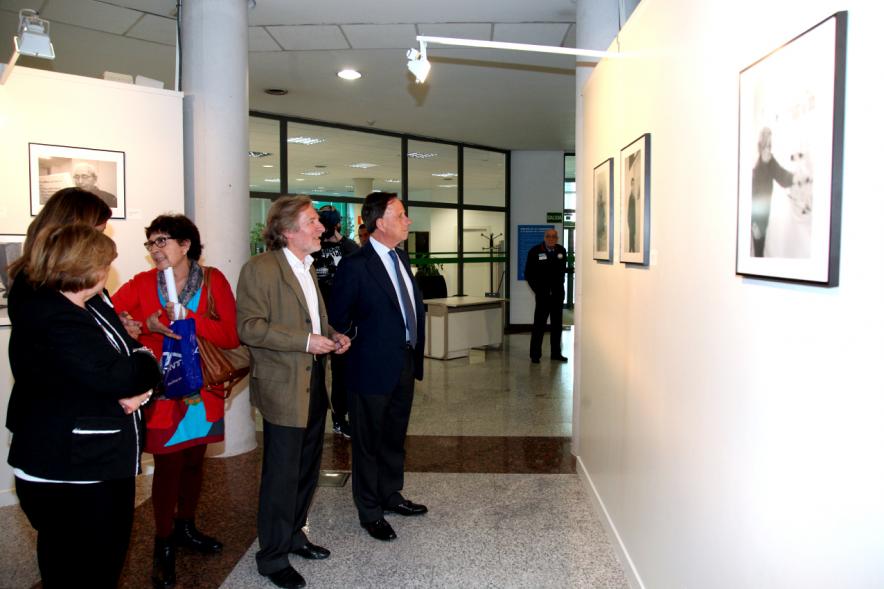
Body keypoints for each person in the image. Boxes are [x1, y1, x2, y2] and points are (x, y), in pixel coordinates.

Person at [6, 224, 160, 588]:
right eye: (105, 263)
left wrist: (135, 369)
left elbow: (125, 366)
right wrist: (141, 366)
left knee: (81, 561)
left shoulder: (81, 307)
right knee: (84, 566)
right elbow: (124, 374)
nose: (108, 271)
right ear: (86, 267)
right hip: (72, 469)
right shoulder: (57, 315)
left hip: (84, 464)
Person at [112, 215, 239, 589]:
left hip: (204, 391)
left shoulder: (213, 281)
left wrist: (190, 318)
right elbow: (113, 318)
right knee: (168, 466)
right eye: (150, 243)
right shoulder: (140, 283)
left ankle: (186, 526)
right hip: (164, 393)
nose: (155, 249)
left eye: (162, 241)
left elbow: (230, 335)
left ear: (186, 245)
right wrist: (139, 324)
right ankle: (162, 543)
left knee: (195, 463)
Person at [236, 196, 351, 589]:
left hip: (315, 382)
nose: (322, 228)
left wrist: (332, 335)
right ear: (287, 230)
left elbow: (315, 317)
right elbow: (249, 327)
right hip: (284, 387)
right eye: (313, 221)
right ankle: (271, 556)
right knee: (281, 476)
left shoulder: (309, 267)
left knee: (307, 468)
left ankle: (294, 535)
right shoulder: (260, 269)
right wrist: (305, 342)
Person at [329, 192, 428, 543]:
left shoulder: (401, 256)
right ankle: (369, 510)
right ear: (380, 223)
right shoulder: (356, 264)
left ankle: (391, 494)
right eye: (401, 215)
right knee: (368, 442)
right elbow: (339, 319)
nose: (408, 221)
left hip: (404, 361)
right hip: (370, 368)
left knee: (394, 436)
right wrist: (357, 340)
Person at [313, 205, 359, 438]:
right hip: (326, 320)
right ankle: (338, 418)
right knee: (335, 373)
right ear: (339, 223)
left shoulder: (344, 248)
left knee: (335, 372)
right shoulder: (346, 248)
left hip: (336, 320)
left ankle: (338, 417)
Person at [525, 228, 568, 364]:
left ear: (557, 238)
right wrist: (538, 290)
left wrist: (561, 284)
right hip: (543, 295)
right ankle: (535, 355)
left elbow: (562, 271)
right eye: (548, 236)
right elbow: (528, 274)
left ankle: (556, 353)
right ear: (544, 237)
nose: (551, 239)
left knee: (557, 325)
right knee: (539, 325)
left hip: (557, 295)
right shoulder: (535, 251)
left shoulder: (561, 250)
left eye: (554, 237)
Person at [751, 127, 793, 257]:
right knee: (757, 252)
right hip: (756, 220)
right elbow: (752, 198)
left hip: (764, 218)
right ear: (760, 146)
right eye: (765, 146)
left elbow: (782, 176)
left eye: (770, 146)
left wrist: (796, 178)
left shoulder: (770, 161)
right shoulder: (756, 167)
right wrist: (754, 222)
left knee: (760, 251)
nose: (768, 150)